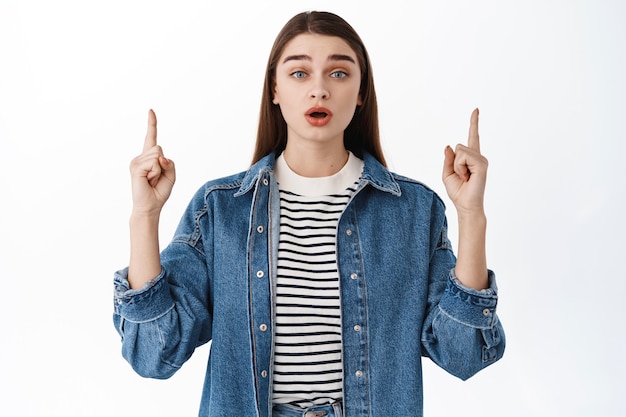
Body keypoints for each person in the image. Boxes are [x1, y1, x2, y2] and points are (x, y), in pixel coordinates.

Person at [113, 10, 505, 417]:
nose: (319, 89)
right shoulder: (220, 209)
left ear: (360, 92)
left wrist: (471, 215)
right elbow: (153, 354)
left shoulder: (413, 211)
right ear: (275, 89)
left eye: (338, 73)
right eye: (299, 73)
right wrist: (144, 216)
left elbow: (464, 356)